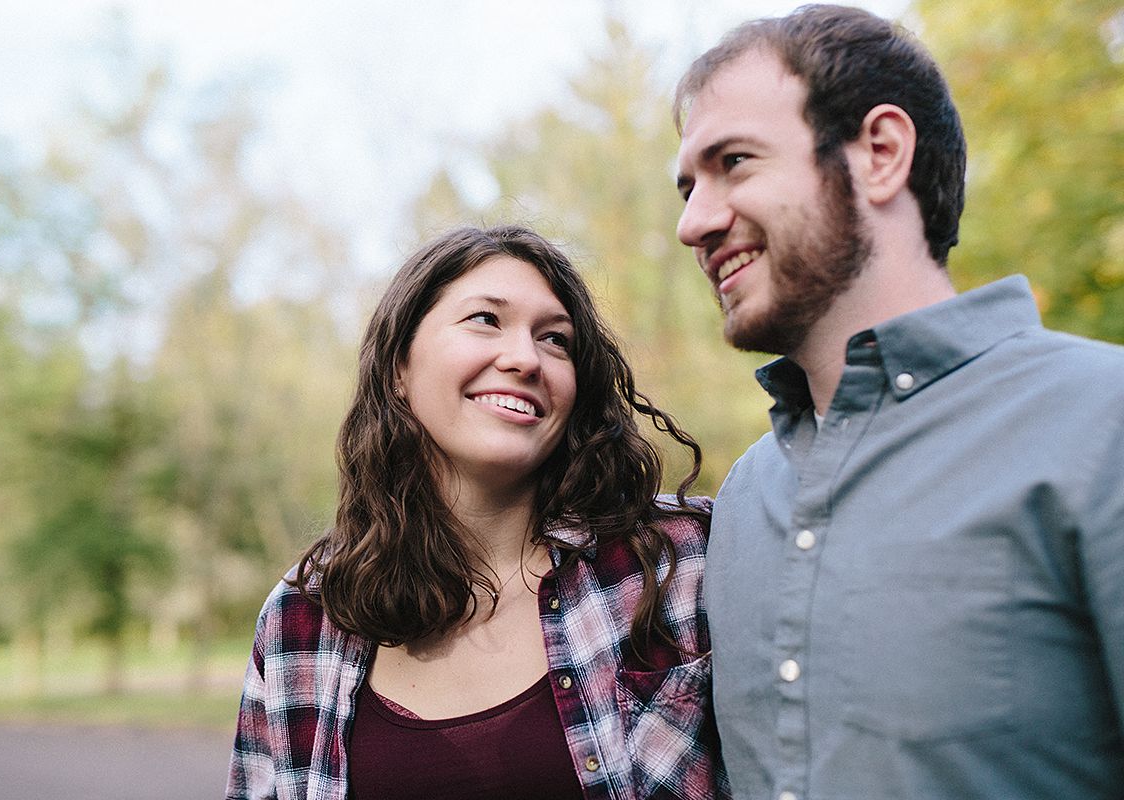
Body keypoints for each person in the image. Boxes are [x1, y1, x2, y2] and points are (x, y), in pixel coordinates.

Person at [672, 5, 1123, 799]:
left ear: (880, 152)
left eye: (734, 162)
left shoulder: (1103, 421)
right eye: (687, 186)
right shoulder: (743, 499)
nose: (693, 222)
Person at [225, 225, 729, 800]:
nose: (525, 359)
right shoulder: (304, 616)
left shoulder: (676, 561)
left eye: (556, 340)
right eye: (485, 319)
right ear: (398, 369)